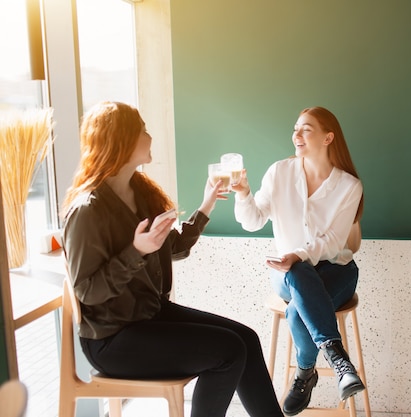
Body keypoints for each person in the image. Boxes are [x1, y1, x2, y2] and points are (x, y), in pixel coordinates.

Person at [62, 101, 284, 417]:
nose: (150, 138)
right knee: (229, 351)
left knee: (245, 338)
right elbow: (88, 291)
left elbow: (173, 247)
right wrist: (136, 251)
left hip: (147, 317)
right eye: (143, 131)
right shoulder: (88, 210)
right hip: (112, 340)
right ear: (122, 141)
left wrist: (206, 207)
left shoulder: (139, 192)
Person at [232, 106, 365, 416]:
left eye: (306, 129)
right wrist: (243, 193)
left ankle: (305, 372)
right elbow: (253, 220)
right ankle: (337, 358)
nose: (296, 134)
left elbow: (333, 242)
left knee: (297, 310)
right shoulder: (280, 172)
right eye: (295, 128)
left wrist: (300, 255)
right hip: (287, 272)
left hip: (337, 271)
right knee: (297, 271)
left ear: (328, 137)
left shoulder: (349, 186)